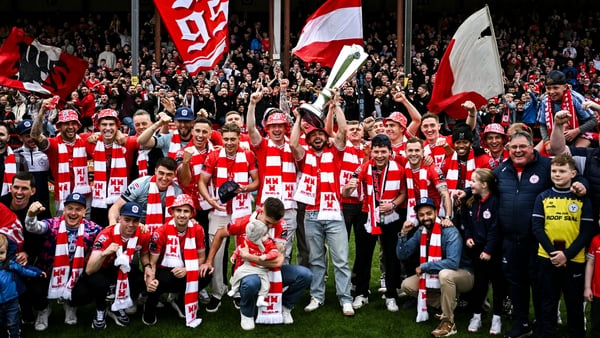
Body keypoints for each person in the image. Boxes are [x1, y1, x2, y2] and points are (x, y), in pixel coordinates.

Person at [199, 197, 312, 330]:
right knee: (251, 283)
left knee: (306, 275)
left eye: (273, 224)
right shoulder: (244, 221)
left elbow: (279, 261)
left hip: (270, 270)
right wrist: (209, 261)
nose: (270, 226)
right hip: (248, 271)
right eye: (268, 222)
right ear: (261, 211)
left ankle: (285, 306)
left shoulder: (281, 224)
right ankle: (246, 313)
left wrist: (249, 256)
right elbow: (219, 233)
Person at [289, 98, 354, 317]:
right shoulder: (304, 155)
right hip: (311, 213)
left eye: (320, 134)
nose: (317, 137)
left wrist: (336, 108)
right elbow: (293, 144)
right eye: (313, 135)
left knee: (341, 259)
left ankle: (345, 299)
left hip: (334, 212)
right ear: (310, 139)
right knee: (316, 259)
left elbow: (343, 130)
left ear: (325, 137)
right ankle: (317, 296)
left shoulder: (335, 153)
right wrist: (298, 118)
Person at [198, 122, 259, 312]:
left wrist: (246, 188)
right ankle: (217, 292)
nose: (230, 143)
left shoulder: (247, 154)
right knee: (216, 255)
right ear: (221, 139)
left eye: (233, 139)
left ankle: (239, 290)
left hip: (242, 210)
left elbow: (256, 181)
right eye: (226, 139)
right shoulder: (214, 155)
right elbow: (202, 181)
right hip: (219, 210)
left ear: (239, 139)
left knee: (244, 252)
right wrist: (210, 201)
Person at [532, 153, 593, 338]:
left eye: (562, 171)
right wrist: (553, 253)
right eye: (554, 171)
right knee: (548, 300)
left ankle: (576, 333)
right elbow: (537, 228)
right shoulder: (543, 197)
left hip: (574, 259)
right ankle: (547, 332)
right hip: (546, 258)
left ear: (573, 173)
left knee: (573, 302)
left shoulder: (583, 199)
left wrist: (566, 254)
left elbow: (586, 231)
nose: (557, 174)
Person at [343, 134, 406, 312]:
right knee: (363, 254)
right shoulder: (364, 168)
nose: (379, 156)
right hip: (367, 214)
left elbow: (403, 193)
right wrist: (348, 188)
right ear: (371, 152)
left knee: (391, 256)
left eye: (383, 152)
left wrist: (393, 204)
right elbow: (346, 193)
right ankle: (361, 293)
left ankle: (391, 294)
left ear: (390, 152)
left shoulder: (399, 169)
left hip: (391, 215)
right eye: (376, 152)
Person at [396, 197, 474, 337]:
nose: (426, 218)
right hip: (438, 273)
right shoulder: (421, 231)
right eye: (421, 215)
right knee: (407, 285)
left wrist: (425, 266)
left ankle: (448, 323)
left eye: (429, 213)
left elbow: (453, 263)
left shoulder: (449, 231)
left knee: (445, 274)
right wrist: (403, 234)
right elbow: (403, 254)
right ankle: (448, 304)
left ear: (436, 212)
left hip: (463, 274)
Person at [24, 193, 102, 331]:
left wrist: (138, 229)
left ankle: (70, 304)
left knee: (85, 293)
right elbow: (33, 227)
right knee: (33, 290)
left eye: (78, 209)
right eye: (70, 208)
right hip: (47, 271)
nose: (73, 213)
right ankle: (43, 310)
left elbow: (111, 234)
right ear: (64, 210)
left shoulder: (92, 229)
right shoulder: (52, 224)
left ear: (84, 212)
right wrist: (31, 215)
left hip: (75, 274)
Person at [71, 201, 152, 330]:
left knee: (139, 280)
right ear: (119, 218)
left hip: (120, 269)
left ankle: (117, 306)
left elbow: (144, 253)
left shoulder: (143, 234)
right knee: (81, 295)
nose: (131, 225)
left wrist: (147, 266)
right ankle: (101, 310)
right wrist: (105, 253)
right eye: (127, 219)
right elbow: (90, 269)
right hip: (99, 268)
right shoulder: (106, 235)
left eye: (135, 221)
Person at [247, 89, 299, 264]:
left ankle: (281, 286)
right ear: (267, 129)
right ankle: (261, 282)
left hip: (289, 206)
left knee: (285, 248)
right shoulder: (262, 145)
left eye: (280, 126)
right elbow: (250, 129)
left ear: (286, 128)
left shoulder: (294, 146)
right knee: (261, 245)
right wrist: (252, 104)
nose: (277, 130)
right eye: (273, 126)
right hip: (266, 207)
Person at [143, 194, 211, 328]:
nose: (182, 215)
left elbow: (202, 258)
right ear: (172, 212)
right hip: (164, 270)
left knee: (206, 273)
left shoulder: (198, 230)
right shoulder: (161, 232)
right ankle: (149, 306)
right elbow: (153, 263)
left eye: (186, 211)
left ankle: (180, 299)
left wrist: (187, 269)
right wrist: (150, 279)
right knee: (158, 282)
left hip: (186, 267)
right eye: (178, 210)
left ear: (192, 213)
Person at [458, 168, 504, 334]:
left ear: (484, 184)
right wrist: (468, 236)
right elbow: (466, 221)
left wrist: (489, 250)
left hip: (493, 250)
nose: (470, 185)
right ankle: (476, 315)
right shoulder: (471, 200)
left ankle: (497, 317)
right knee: (479, 284)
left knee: (498, 284)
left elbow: (495, 228)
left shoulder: (495, 202)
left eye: (473, 181)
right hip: (477, 250)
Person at [31, 104, 91, 215]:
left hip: (84, 196)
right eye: (66, 124)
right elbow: (35, 136)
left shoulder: (85, 139)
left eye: (73, 123)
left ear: (78, 126)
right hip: (63, 196)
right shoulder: (53, 144)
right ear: (59, 127)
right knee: (62, 228)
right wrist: (42, 112)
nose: (70, 127)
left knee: (85, 229)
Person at [87, 109, 139, 227]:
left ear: (117, 126)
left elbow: (143, 140)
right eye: (104, 125)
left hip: (121, 200)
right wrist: (94, 136)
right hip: (98, 201)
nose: (108, 128)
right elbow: (74, 137)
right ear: (98, 126)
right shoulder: (91, 143)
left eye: (111, 124)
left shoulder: (127, 142)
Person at [108, 157, 182, 231]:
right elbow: (116, 206)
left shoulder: (177, 192)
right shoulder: (140, 184)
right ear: (155, 171)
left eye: (169, 174)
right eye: (161, 173)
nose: (164, 178)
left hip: (160, 227)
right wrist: (113, 226)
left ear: (174, 175)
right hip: (133, 223)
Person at [0, 233, 45, 338]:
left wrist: (38, 273)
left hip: (12, 301)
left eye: (1, 253)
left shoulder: (10, 264)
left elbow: (24, 270)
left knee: (13, 321)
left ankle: (15, 335)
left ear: (7, 251)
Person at [536, 70, 597, 147]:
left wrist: (576, 131)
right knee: (536, 152)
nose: (551, 91)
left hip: (581, 133)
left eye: (555, 88)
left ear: (565, 87)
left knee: (575, 154)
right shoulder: (545, 100)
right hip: (555, 134)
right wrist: (546, 142)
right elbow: (543, 124)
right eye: (548, 88)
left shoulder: (575, 97)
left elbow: (594, 120)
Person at [227, 219, 280, 308]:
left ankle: (261, 299)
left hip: (261, 268)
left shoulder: (268, 242)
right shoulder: (249, 241)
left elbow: (275, 252)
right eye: (264, 235)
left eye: (266, 234)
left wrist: (266, 256)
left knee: (266, 284)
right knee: (238, 273)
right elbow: (240, 248)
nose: (267, 236)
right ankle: (234, 289)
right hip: (249, 265)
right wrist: (234, 255)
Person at [13, 119, 50, 206]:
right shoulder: (15, 155)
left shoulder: (47, 153)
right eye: (28, 136)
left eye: (34, 135)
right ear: (20, 138)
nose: (32, 139)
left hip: (43, 202)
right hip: (22, 203)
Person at [585, 225, 600, 337]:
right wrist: (587, 287)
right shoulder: (595, 240)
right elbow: (590, 264)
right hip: (598, 293)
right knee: (597, 325)